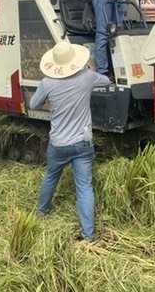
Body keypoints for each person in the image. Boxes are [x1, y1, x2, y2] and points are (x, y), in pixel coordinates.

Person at [30, 41, 111, 242]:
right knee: (84, 187)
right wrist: (90, 70)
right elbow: (107, 81)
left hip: (58, 143)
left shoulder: (48, 82)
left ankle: (42, 213)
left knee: (51, 176)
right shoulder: (87, 77)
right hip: (83, 143)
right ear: (75, 61)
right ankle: (88, 235)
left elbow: (33, 104)